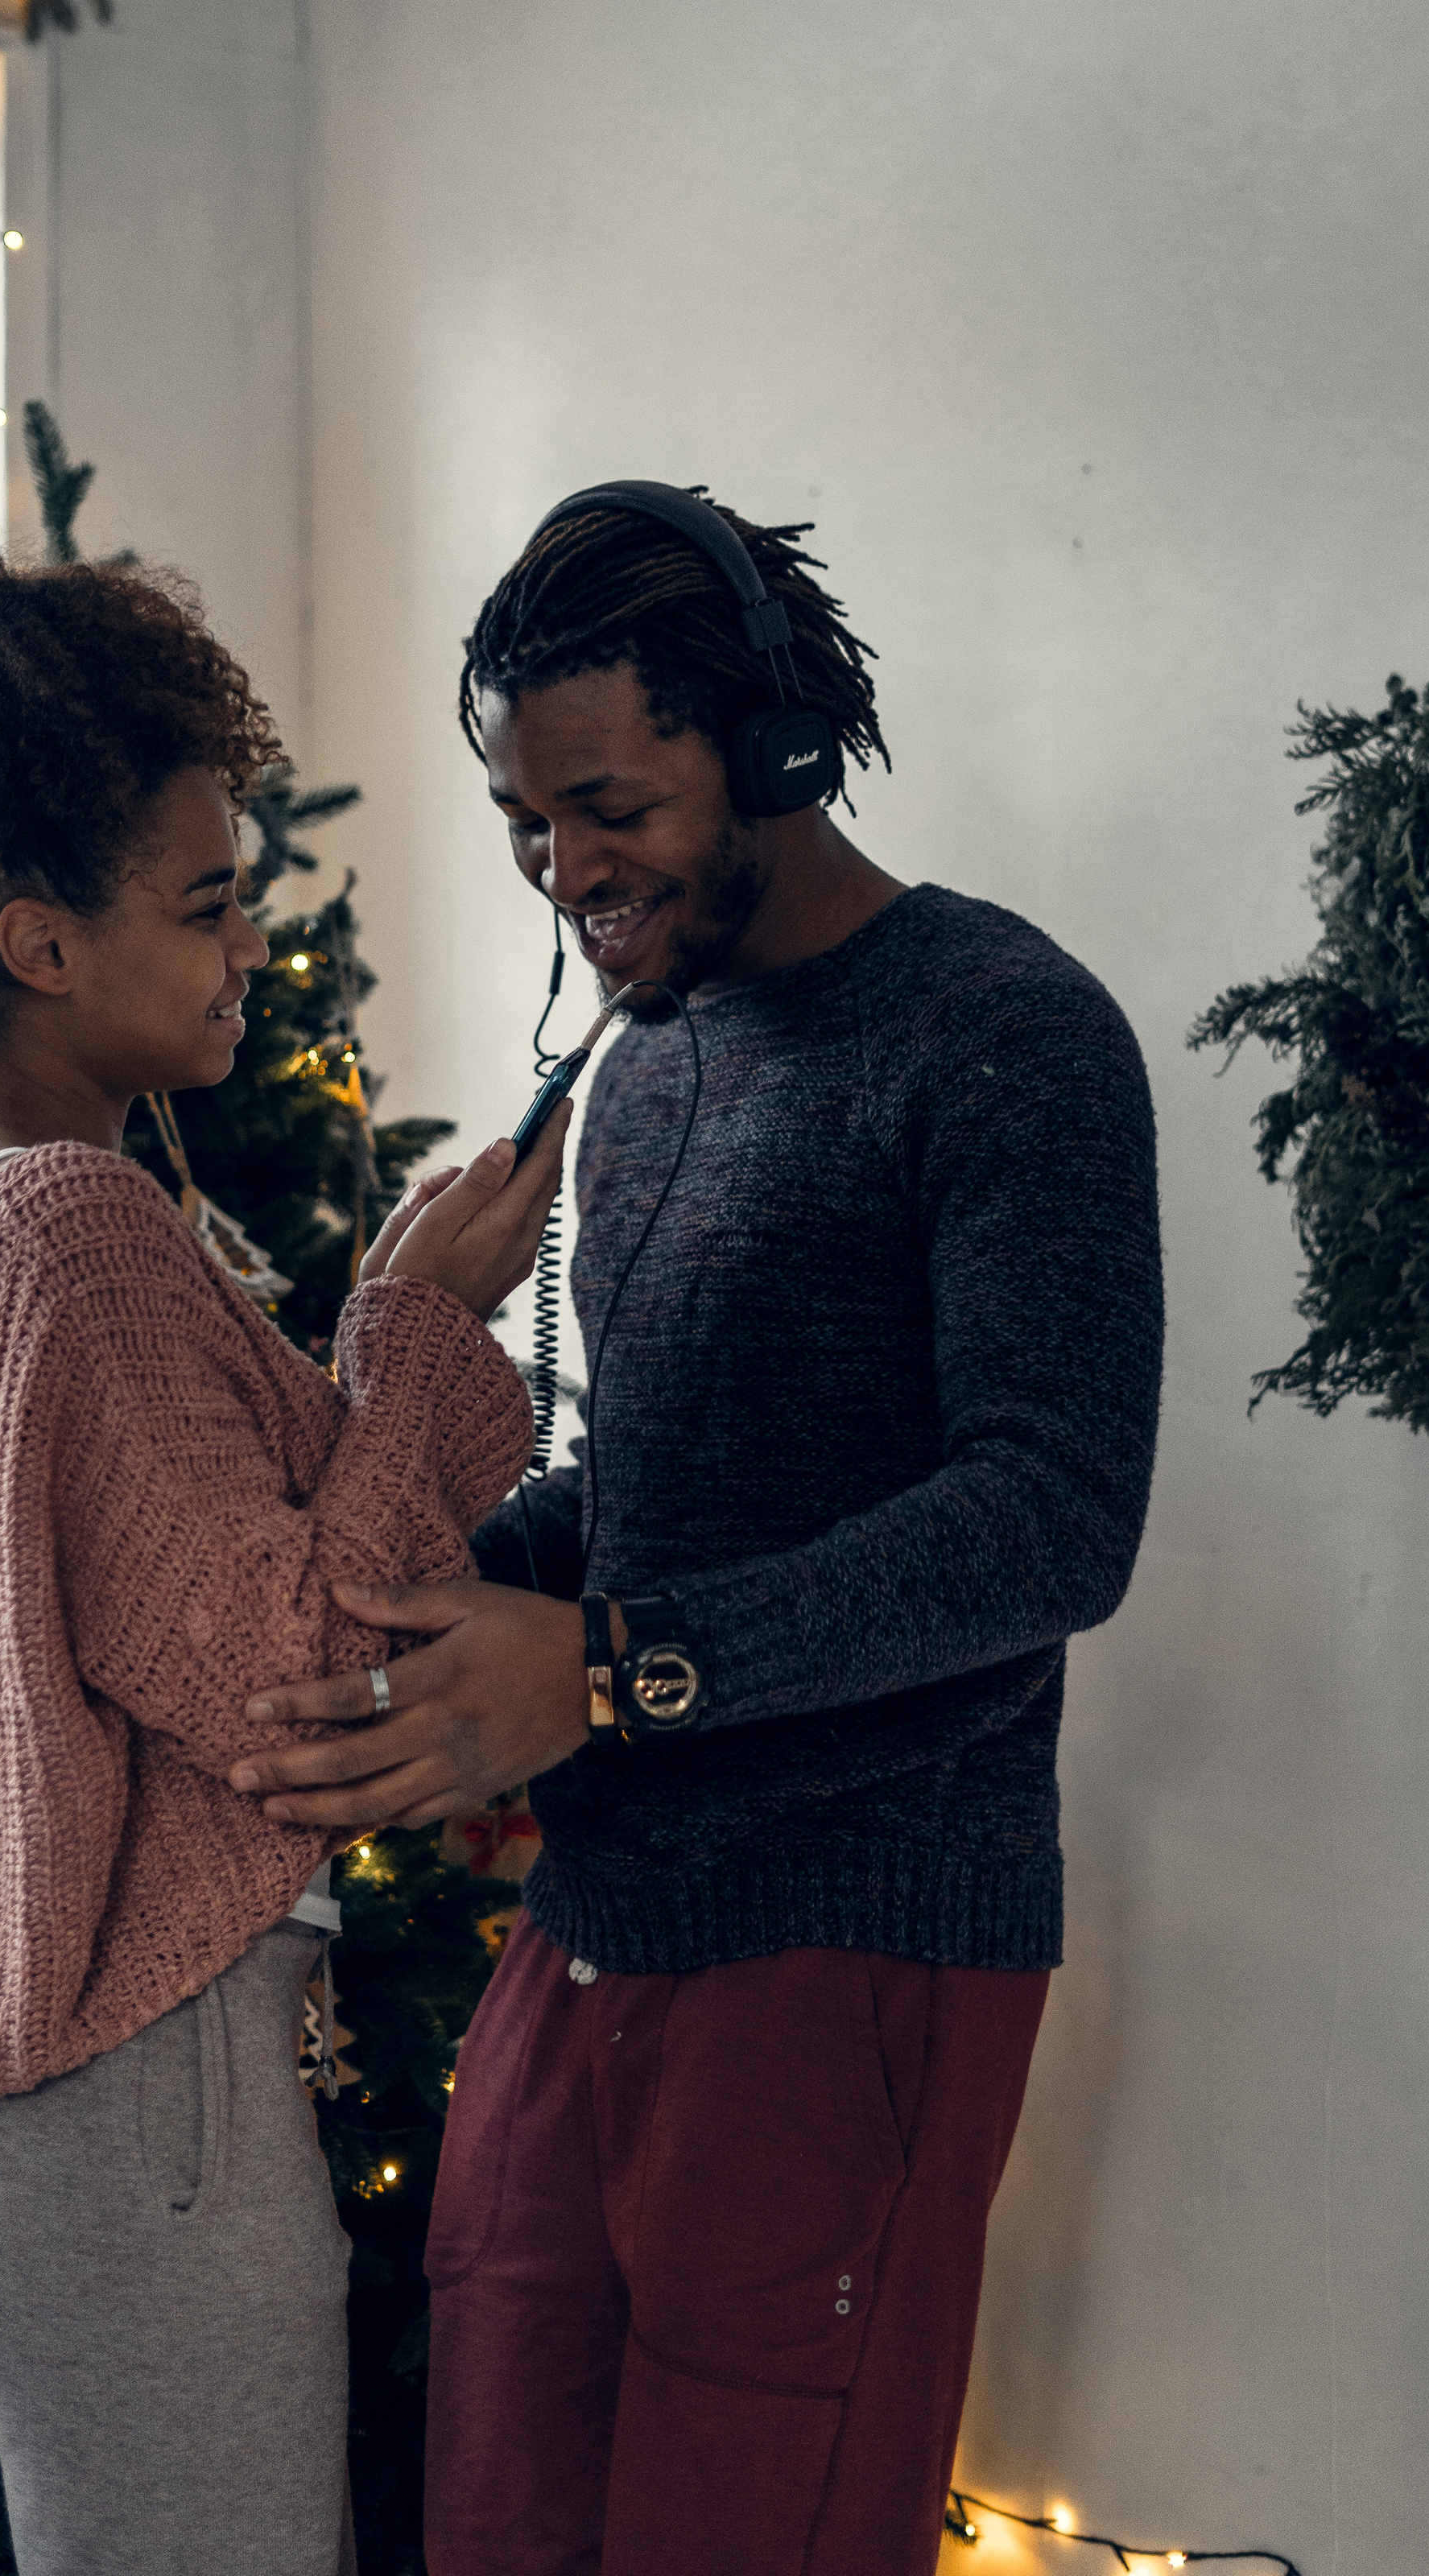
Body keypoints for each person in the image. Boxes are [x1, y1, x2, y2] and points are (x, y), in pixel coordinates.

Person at [226, 487, 1165, 2576]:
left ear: (774, 752)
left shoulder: (1007, 1033)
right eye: (522, 824)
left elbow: (1050, 1521)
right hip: (590, 1935)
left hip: (858, 1955)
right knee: (496, 2523)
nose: (567, 872)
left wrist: (612, 1672)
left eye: (609, 806)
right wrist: (465, 1602)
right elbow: (655, 1494)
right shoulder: (642, 1075)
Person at [0, 547, 568, 2576]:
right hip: (126, 2122)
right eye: (207, 904)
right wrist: (419, 1332)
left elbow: (201, 1561)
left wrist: (394, 1322)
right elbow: (285, 1677)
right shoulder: (71, 1226)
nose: (251, 949)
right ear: (42, 941)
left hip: (32, 2130)